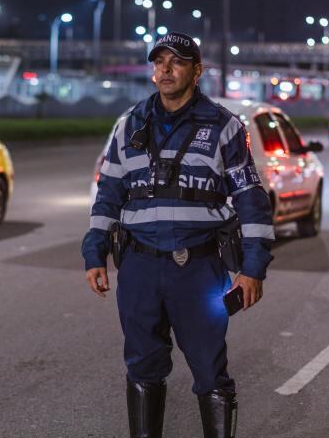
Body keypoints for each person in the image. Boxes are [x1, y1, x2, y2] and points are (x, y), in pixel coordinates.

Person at [82, 32, 274, 438]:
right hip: (138, 266)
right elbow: (108, 195)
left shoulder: (224, 127)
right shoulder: (128, 125)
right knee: (142, 366)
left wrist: (253, 268)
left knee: (209, 368)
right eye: (159, 62)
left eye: (177, 62)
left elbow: (251, 200)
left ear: (197, 71)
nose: (165, 70)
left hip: (199, 267)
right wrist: (95, 253)